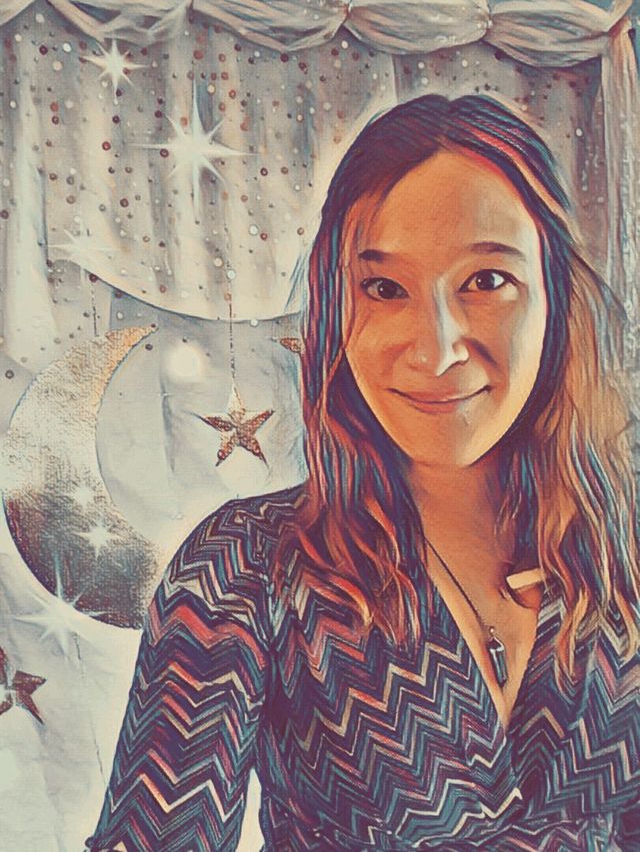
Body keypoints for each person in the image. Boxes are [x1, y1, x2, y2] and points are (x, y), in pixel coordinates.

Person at [86, 94, 640, 851]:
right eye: (384, 288)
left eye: (487, 280)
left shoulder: (621, 552)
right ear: (335, 313)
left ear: (557, 298)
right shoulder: (244, 567)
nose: (437, 350)